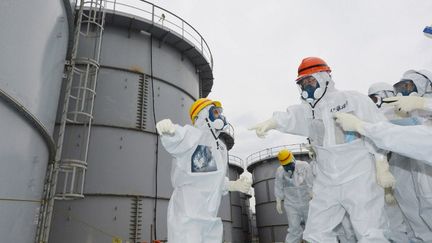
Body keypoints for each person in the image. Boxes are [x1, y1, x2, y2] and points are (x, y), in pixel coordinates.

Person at [250, 57, 390, 242]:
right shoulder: (308, 110)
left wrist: (382, 165)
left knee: (370, 232)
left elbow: (379, 131)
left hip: (358, 177)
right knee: (316, 233)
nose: (307, 86)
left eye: (310, 80)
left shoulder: (352, 100)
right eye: (303, 83)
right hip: (327, 182)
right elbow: (290, 117)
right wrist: (272, 122)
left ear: (323, 78)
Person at [335, 69, 432, 235]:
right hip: (407, 177)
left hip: (417, 174)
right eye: (400, 88)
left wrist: (362, 126)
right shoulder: (402, 114)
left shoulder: (404, 114)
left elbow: (397, 135)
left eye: (408, 86)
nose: (403, 92)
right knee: (415, 221)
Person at [156, 98, 251, 243]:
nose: (220, 116)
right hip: (188, 215)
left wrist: (233, 185)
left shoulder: (220, 148)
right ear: (203, 115)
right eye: (215, 112)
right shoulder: (192, 136)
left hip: (210, 217)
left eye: (220, 112)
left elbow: (213, 179)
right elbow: (176, 138)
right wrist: (168, 131)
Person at [368, 82, 424, 242]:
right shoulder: (376, 118)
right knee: (395, 223)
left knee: (415, 217)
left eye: (374, 98)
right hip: (387, 177)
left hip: (406, 172)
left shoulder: (398, 112)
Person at [274, 149, 313, 243]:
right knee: (294, 229)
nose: (287, 167)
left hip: (307, 202)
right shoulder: (280, 171)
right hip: (291, 204)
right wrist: (278, 201)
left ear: (293, 159)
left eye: (288, 164)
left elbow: (310, 182)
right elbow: (278, 187)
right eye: (285, 165)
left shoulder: (304, 166)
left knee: (312, 227)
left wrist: (312, 194)